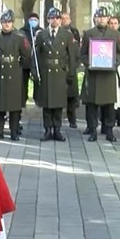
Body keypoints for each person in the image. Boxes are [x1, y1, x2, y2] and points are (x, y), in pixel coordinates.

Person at [81, 7, 120, 142]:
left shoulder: (115, 34)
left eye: (104, 17)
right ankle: (93, 130)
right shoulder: (88, 33)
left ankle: (109, 130)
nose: (102, 19)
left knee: (110, 104)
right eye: (99, 17)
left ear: (108, 18)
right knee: (92, 104)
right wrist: (90, 64)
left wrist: (114, 63)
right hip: (93, 75)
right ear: (95, 18)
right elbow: (83, 54)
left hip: (108, 75)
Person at [0, 10, 29, 140]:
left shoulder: (20, 37)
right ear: (1, 23)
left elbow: (26, 54)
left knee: (14, 105)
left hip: (14, 74)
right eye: (4, 22)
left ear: (12, 23)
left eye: (9, 22)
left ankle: (14, 131)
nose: (6, 24)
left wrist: (19, 65)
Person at [36, 8, 74, 141]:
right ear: (48, 19)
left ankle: (57, 129)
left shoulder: (67, 35)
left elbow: (72, 55)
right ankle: (47, 130)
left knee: (58, 103)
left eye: (58, 18)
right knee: (46, 104)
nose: (55, 20)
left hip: (60, 72)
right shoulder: (41, 35)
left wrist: (71, 73)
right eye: (52, 18)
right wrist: (36, 73)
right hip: (46, 72)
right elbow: (36, 54)